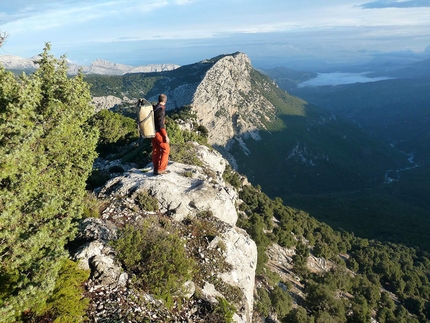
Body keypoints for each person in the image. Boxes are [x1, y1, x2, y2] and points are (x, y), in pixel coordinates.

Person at [151, 93, 170, 175]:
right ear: (165, 101)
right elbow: (161, 125)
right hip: (158, 132)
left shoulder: (154, 107)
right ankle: (161, 169)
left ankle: (155, 169)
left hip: (152, 132)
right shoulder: (161, 110)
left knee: (156, 150)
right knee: (166, 149)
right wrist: (165, 135)